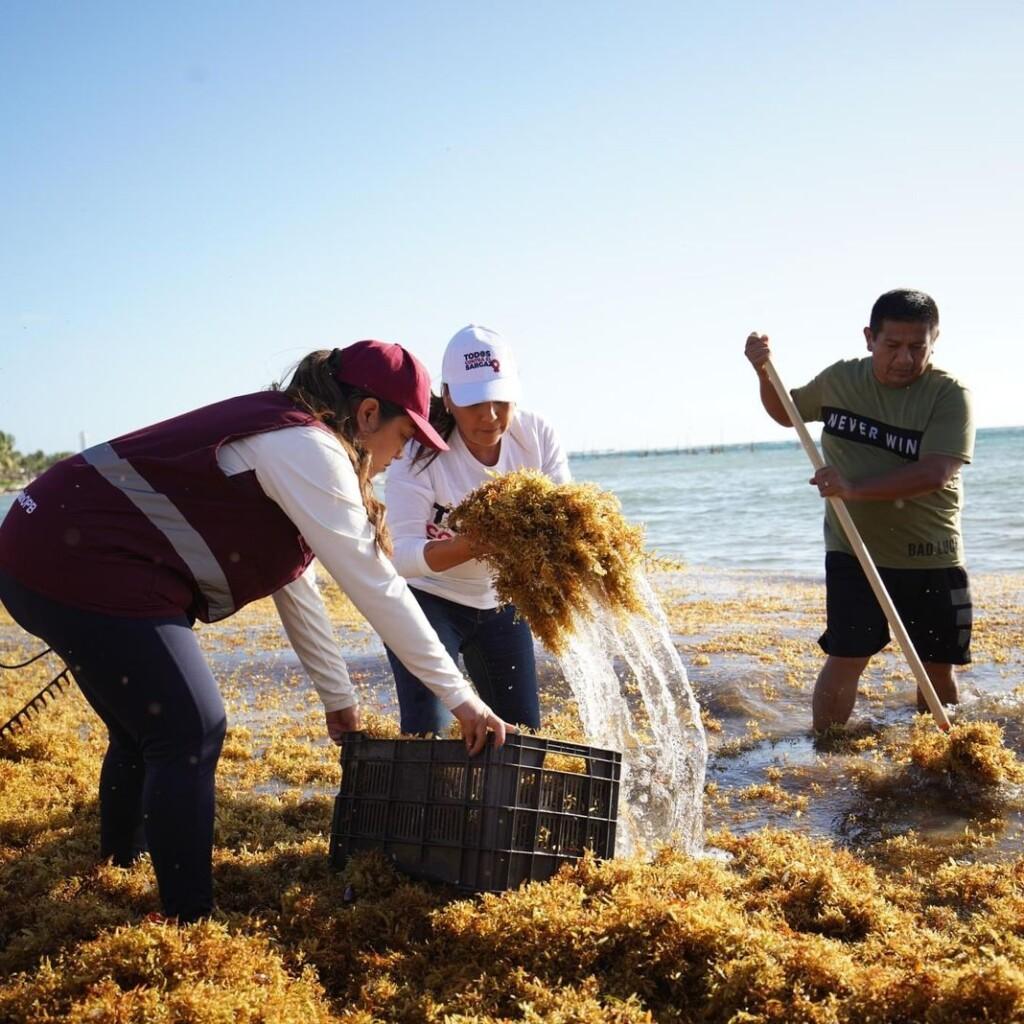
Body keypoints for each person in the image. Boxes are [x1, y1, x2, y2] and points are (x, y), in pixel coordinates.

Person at [0, 341, 512, 923]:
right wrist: (464, 700)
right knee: (191, 728)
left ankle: (118, 865)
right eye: (404, 437)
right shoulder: (309, 449)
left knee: (145, 726)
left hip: (36, 542)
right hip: (76, 560)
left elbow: (292, 581)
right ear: (368, 414)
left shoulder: (289, 434)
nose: (400, 456)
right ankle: (188, 920)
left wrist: (338, 699)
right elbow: (378, 587)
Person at [744, 289, 974, 732]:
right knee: (846, 656)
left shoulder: (949, 395)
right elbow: (787, 413)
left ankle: (940, 758)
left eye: (917, 347)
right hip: (852, 546)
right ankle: (826, 750)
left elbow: (935, 473)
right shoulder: (841, 380)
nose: (905, 358)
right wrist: (762, 371)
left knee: (935, 668)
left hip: (932, 554)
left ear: (934, 340)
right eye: (893, 346)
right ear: (870, 338)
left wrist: (853, 488)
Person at [384, 324, 570, 734]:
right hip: (428, 601)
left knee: (521, 734)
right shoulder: (416, 452)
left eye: (499, 399)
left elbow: (563, 519)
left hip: (501, 602)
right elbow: (402, 557)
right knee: (425, 732)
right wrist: (476, 544)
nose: (489, 416)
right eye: (473, 403)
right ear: (448, 397)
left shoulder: (535, 436)